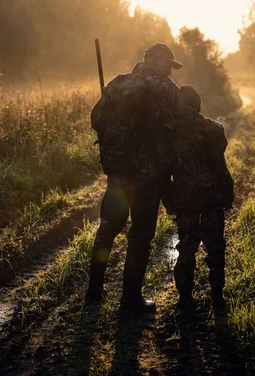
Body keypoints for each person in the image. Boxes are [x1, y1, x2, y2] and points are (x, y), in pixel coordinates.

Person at [85, 42, 182, 312]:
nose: (170, 72)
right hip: (147, 177)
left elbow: (95, 119)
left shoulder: (118, 83)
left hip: (117, 172)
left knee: (108, 229)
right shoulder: (163, 87)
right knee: (140, 235)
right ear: (159, 62)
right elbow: (180, 125)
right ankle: (130, 299)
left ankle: (93, 291)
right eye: (169, 66)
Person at [171, 84, 234, 310]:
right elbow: (220, 167)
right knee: (215, 248)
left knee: (186, 248)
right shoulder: (213, 129)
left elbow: (164, 169)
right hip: (211, 198)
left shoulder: (169, 133)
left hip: (185, 198)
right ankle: (217, 298)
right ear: (197, 105)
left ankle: (185, 299)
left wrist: (169, 199)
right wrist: (228, 192)